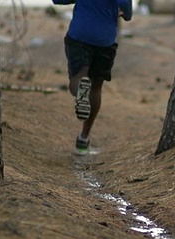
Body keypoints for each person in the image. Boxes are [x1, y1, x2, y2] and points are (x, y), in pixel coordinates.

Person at [52, 0, 133, 155]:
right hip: (105, 40)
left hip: (79, 34)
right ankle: (83, 139)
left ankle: (81, 86)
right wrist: (122, 13)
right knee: (96, 87)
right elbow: (127, 12)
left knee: (79, 76)